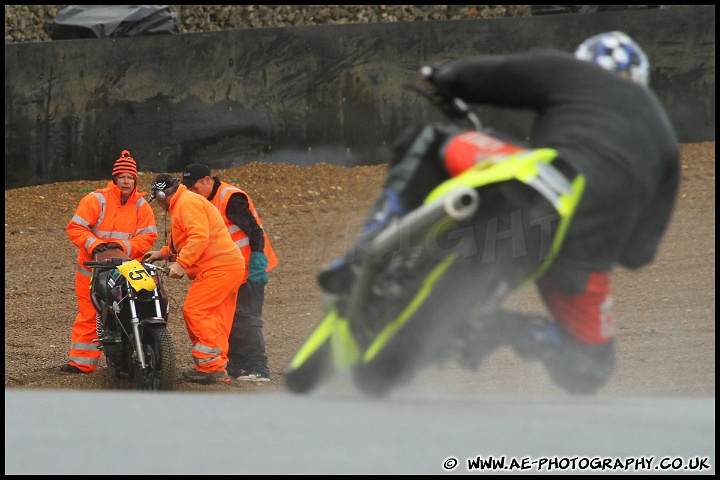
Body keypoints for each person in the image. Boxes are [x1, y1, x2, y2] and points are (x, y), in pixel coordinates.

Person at [319, 31, 680, 394]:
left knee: (429, 141)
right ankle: (519, 331)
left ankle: (370, 242)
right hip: (581, 257)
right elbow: (638, 254)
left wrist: (443, 76)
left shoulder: (578, 74)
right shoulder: (666, 142)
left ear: (585, 63)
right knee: (590, 368)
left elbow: (501, 74)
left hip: (540, 184)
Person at [143, 174, 247, 384]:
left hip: (218, 267)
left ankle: (210, 368)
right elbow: (188, 237)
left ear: (162, 196)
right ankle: (217, 366)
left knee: (196, 310)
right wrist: (163, 254)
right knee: (216, 317)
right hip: (230, 265)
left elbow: (199, 237)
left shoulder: (186, 204)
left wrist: (181, 264)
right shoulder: (186, 201)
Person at [62, 149, 159, 374]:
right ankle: (82, 363)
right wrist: (94, 245)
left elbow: (149, 236)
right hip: (93, 269)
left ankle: (133, 358)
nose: (126, 181)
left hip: (126, 267)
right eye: (122, 177)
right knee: (90, 313)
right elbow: (76, 228)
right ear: (115, 179)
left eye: (130, 177)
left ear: (135, 180)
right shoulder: (96, 199)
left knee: (132, 309)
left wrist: (124, 247)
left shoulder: (141, 205)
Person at [181, 163, 278, 382]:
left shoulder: (231, 197)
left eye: (195, 188)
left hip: (249, 266)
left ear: (207, 180)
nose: (192, 193)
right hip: (229, 268)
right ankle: (233, 366)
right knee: (228, 317)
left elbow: (255, 231)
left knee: (247, 317)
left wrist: (257, 263)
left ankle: (258, 368)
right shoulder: (206, 200)